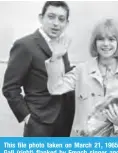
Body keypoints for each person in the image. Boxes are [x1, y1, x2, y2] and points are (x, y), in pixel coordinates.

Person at [45, 19, 118, 136]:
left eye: (111, 39)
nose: (106, 44)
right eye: (101, 39)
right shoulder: (81, 70)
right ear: (94, 43)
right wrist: (55, 58)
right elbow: (55, 88)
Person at [2, 1, 75, 137]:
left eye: (61, 19)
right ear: (41, 18)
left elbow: (65, 78)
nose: (56, 23)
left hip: (64, 121)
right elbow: (10, 87)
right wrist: (27, 116)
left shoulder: (62, 45)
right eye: (51, 17)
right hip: (38, 122)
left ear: (66, 23)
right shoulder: (24, 45)